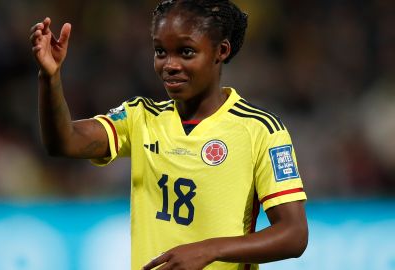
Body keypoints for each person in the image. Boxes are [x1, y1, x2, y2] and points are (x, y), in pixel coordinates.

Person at [30, 0, 308, 269]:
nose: (169, 64)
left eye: (186, 52)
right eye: (160, 52)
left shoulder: (260, 129)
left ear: (220, 51)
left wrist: (208, 250)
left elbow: (294, 235)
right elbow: (63, 142)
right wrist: (49, 77)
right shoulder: (140, 117)